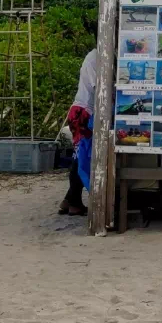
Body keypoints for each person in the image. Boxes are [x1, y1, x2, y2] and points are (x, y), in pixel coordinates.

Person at [61, 48, 97, 216]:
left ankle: (69, 200)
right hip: (83, 113)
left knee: (80, 157)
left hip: (82, 112)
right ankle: (74, 202)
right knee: (81, 157)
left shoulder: (95, 56)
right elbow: (100, 88)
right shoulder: (96, 58)